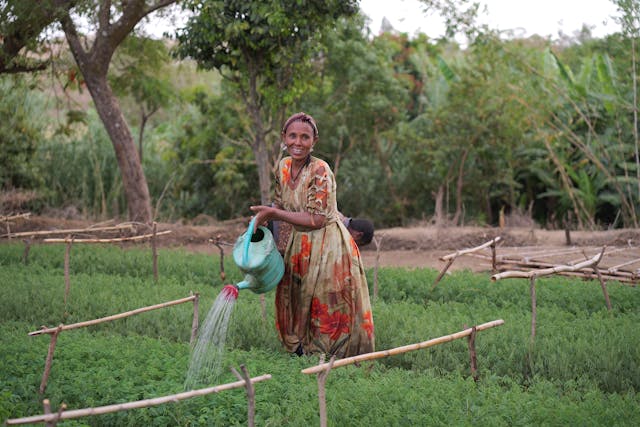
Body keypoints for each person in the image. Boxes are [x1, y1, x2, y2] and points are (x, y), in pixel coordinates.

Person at [249, 112, 375, 358]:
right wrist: (276, 243)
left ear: (314, 140)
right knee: (293, 299)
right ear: (284, 137)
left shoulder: (320, 170)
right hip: (299, 244)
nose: (298, 142)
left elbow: (317, 219)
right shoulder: (283, 166)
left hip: (329, 247)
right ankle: (302, 355)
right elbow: (281, 207)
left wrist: (273, 214)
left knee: (326, 305)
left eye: (305, 137)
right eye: (293, 136)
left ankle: (332, 363)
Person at [268, 213, 374, 255]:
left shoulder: (338, 217)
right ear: (358, 235)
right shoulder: (336, 228)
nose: (353, 246)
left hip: (275, 219)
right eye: (358, 244)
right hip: (274, 227)